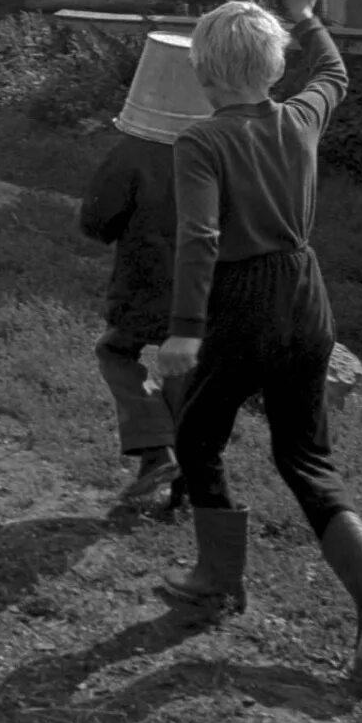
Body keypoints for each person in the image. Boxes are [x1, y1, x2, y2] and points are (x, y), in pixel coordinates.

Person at [151, 0, 362, 690]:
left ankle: (216, 578)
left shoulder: (201, 142)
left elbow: (200, 237)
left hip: (242, 302)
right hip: (306, 295)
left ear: (202, 73)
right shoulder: (301, 117)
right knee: (305, 457)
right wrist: (306, 15)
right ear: (273, 66)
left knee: (198, 438)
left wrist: (182, 331)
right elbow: (334, 71)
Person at [77, 31, 214, 513]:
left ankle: (156, 448)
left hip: (143, 285)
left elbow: (95, 221)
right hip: (207, 292)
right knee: (185, 374)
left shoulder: (133, 153)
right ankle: (184, 486)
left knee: (116, 352)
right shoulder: (223, 149)